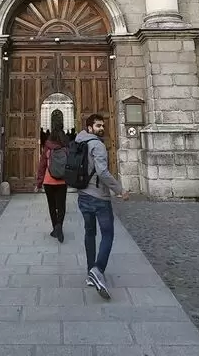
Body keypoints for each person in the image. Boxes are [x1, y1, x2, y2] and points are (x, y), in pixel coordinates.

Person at [74, 113, 129, 300]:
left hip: (82, 196)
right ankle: (98, 270)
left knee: (90, 233)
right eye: (98, 126)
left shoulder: (79, 141)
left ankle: (90, 273)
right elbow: (103, 172)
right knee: (108, 234)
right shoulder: (97, 144)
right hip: (99, 197)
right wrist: (120, 190)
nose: (102, 128)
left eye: (102, 125)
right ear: (90, 128)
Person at [35, 126, 68, 242]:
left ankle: (55, 228)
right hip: (62, 181)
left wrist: (39, 183)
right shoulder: (65, 148)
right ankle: (59, 226)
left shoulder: (47, 148)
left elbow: (42, 165)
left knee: (52, 206)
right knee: (61, 206)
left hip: (48, 181)